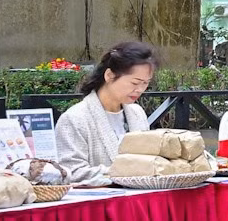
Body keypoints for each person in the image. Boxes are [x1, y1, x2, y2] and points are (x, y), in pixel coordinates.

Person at [55, 41, 157, 184]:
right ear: (109, 75)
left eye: (145, 83)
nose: (140, 89)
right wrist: (125, 171)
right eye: (135, 82)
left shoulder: (137, 113)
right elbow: (72, 171)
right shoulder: (75, 118)